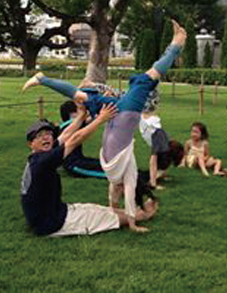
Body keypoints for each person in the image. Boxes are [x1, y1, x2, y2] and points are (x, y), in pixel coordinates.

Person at [23, 19, 186, 232]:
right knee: (135, 83)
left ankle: (43, 79)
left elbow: (118, 193)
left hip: (117, 116)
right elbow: (124, 191)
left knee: (85, 95)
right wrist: (132, 222)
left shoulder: (116, 175)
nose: (117, 190)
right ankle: (177, 43)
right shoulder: (124, 173)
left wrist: (119, 211)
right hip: (116, 116)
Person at [20, 103, 157, 237]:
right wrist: (101, 119)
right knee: (100, 218)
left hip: (53, 214)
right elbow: (75, 139)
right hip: (52, 223)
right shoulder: (43, 161)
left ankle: (132, 211)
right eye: (39, 135)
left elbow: (66, 134)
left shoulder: (38, 156)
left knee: (97, 210)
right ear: (30, 143)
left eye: (48, 133)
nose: (46, 137)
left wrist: (80, 116)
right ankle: (141, 215)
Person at [139, 90, 184, 188]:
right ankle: (152, 180)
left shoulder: (162, 140)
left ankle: (155, 177)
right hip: (148, 121)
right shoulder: (160, 138)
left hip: (148, 120)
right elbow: (153, 160)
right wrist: (153, 184)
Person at [58, 100, 106, 179]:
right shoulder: (68, 127)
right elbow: (91, 120)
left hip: (80, 159)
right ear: (71, 114)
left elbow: (90, 119)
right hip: (74, 166)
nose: (82, 113)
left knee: (103, 164)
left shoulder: (71, 125)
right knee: (108, 173)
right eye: (78, 111)